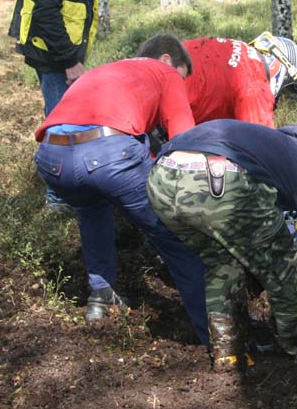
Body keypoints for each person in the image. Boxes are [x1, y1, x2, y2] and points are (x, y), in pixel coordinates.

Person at [32, 34, 209, 345]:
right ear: (167, 61)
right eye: (183, 78)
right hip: (107, 154)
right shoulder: (166, 73)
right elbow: (186, 143)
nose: (180, 86)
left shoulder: (109, 70)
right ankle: (214, 331)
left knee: (92, 210)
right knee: (172, 232)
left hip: (51, 158)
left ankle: (101, 295)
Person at [146, 118, 297, 370]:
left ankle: (229, 353)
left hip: (161, 180)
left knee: (221, 263)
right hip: (215, 180)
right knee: (284, 268)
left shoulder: (266, 143)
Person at [9, 0, 125, 210]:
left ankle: (66, 186)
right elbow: (46, 13)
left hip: (63, 53)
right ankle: (57, 196)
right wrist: (70, 61)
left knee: (65, 118)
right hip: (52, 54)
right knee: (59, 124)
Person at [182, 33, 297, 128]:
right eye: (286, 89)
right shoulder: (256, 83)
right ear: (285, 71)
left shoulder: (235, 47)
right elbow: (259, 146)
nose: (279, 100)